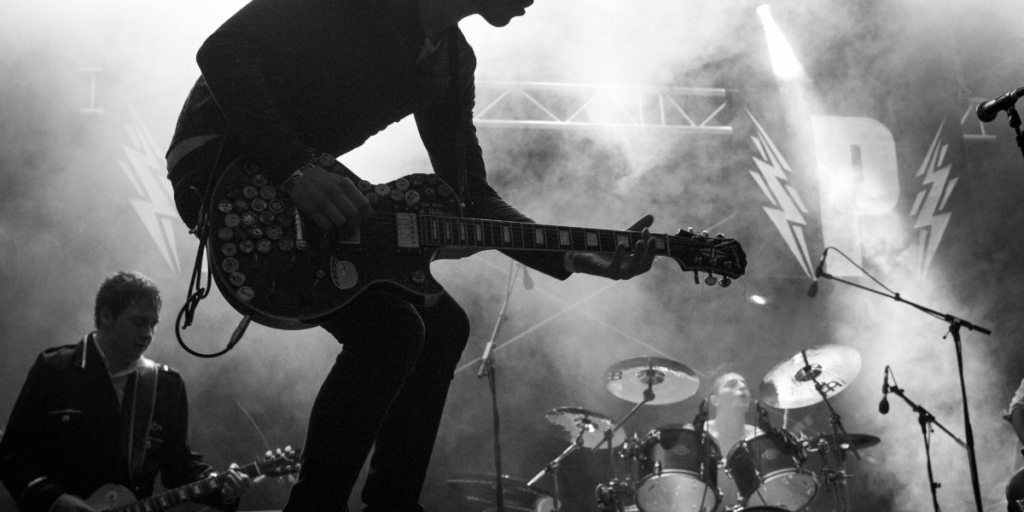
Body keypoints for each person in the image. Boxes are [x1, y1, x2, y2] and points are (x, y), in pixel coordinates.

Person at [164, 0, 659, 510]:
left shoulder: (452, 62)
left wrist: (579, 257)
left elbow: (472, 197)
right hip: (221, 161)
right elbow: (221, 51)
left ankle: (392, 502)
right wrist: (294, 169)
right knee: (392, 330)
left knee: (443, 327)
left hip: (300, 180)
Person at [0, 271, 252, 512]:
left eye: (153, 324)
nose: (148, 334)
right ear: (107, 316)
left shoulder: (167, 385)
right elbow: (11, 456)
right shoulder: (55, 369)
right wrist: (54, 500)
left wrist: (223, 489)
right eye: (139, 322)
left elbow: (179, 467)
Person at [704, 372, 758, 510]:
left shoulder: (758, 437)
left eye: (744, 385)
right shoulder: (699, 436)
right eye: (732, 385)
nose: (742, 387)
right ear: (715, 400)